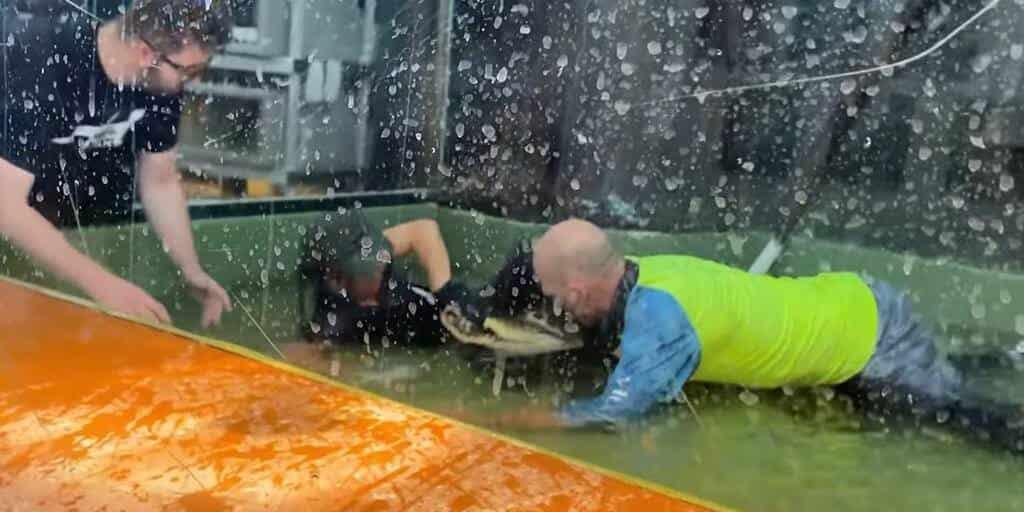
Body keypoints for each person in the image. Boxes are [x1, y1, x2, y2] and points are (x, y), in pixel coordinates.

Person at [475, 218, 1024, 453]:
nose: (557, 309)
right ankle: (1008, 355)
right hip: (849, 302)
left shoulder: (660, 321)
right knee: (942, 379)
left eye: (554, 296)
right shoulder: (641, 270)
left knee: (961, 420)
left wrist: (506, 422)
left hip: (871, 339)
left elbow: (613, 412)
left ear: (576, 289)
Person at [0, 0, 233, 326]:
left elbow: (160, 180)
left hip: (63, 234)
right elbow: (6, 207)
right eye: (189, 70)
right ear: (145, 54)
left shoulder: (160, 85)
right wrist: (102, 283)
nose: (191, 82)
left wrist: (190, 269)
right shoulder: (44, 58)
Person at [296, 209, 478, 350]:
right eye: (373, 271)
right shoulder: (333, 325)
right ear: (336, 279)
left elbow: (424, 229)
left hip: (456, 318)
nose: (382, 267)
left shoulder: (364, 247)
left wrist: (445, 294)